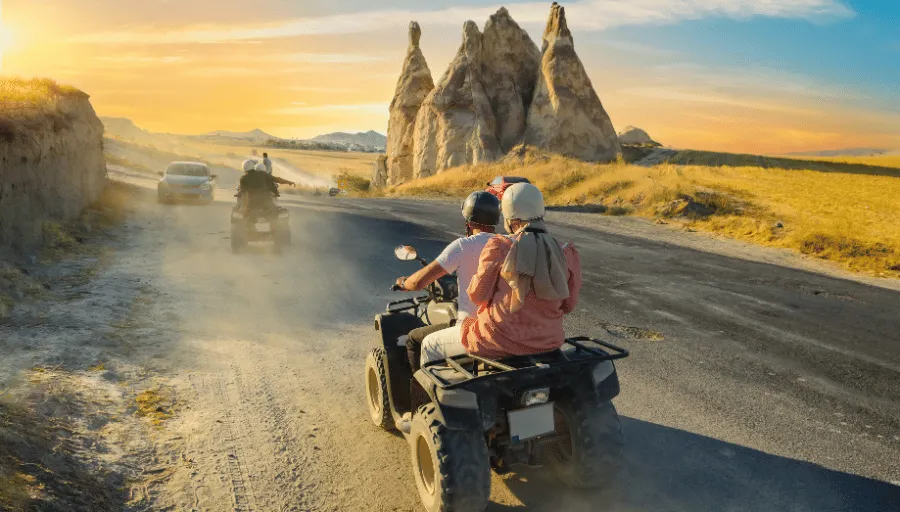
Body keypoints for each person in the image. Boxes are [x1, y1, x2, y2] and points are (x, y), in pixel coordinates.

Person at [424, 182, 582, 364]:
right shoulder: (565, 252)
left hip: (496, 340)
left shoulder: (500, 247)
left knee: (428, 345)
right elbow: (569, 305)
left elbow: (478, 295)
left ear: (510, 218)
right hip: (547, 342)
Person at [394, 191, 501, 373]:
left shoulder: (463, 246)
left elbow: (418, 282)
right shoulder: (507, 244)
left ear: (468, 221)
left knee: (414, 339)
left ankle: (419, 398)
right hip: (502, 328)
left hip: (472, 330)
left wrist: (403, 283)